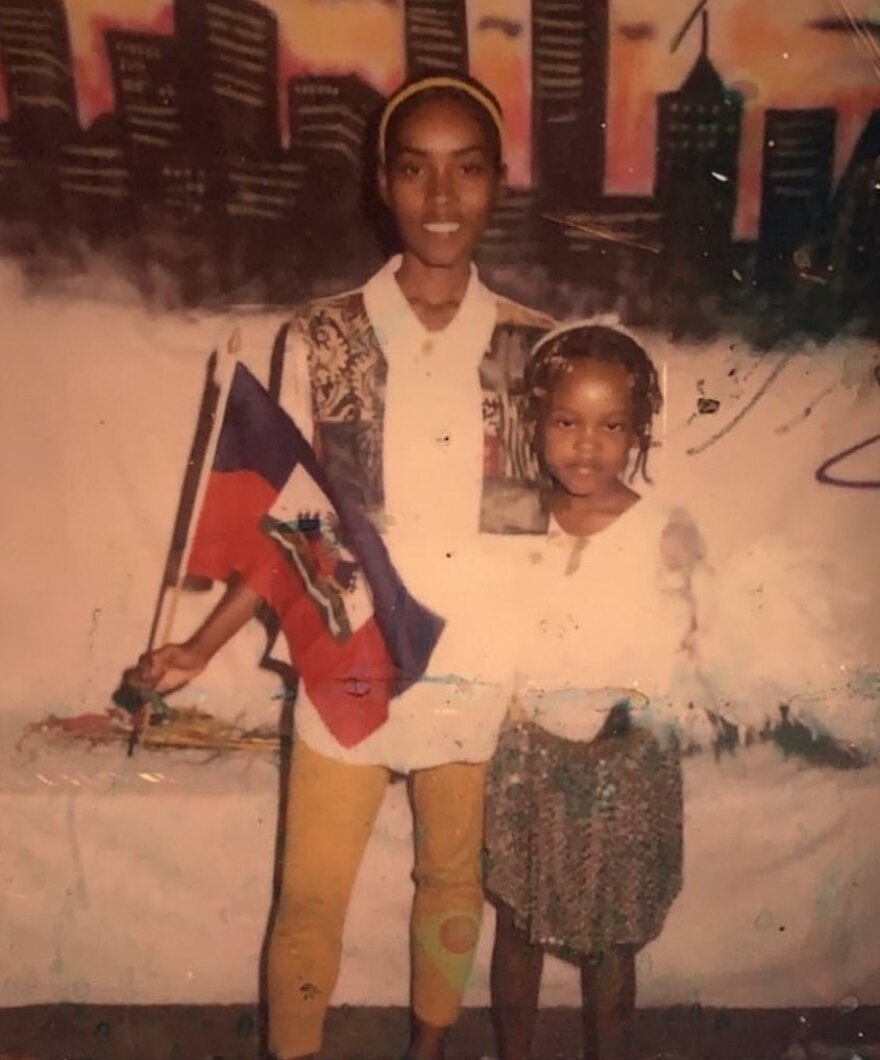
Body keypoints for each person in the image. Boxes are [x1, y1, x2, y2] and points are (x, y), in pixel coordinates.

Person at [124, 74, 554, 1060]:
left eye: (466, 170)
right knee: (311, 895)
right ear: (381, 183)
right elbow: (292, 523)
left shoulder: (535, 346)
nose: (440, 197)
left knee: (452, 882)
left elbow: (549, 536)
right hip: (347, 655)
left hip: (475, 664)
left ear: (497, 182)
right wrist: (199, 646)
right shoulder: (320, 335)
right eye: (414, 170)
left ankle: (429, 1052)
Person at [484, 322, 707, 1060]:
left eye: (611, 426)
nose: (587, 445)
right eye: (567, 423)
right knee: (518, 923)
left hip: (624, 766)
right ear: (537, 423)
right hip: (528, 755)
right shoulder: (511, 513)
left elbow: (685, 647)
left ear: (639, 431)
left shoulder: (665, 528)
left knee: (612, 940)